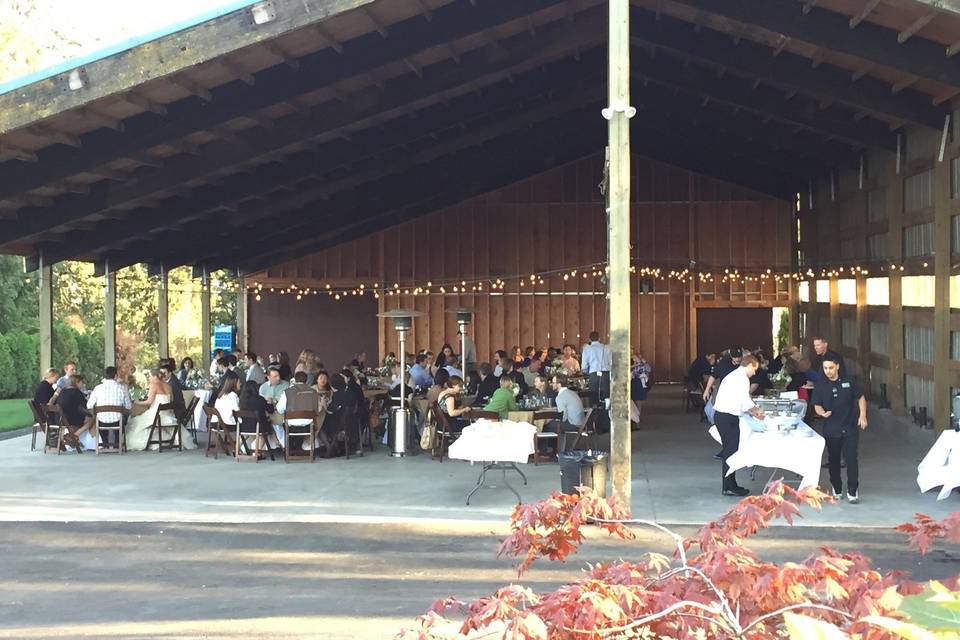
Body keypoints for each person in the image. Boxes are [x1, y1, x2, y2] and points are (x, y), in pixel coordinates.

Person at [812, 355, 867, 503]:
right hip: (831, 428)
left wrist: (862, 416)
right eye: (825, 368)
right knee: (834, 460)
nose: (828, 371)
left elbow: (861, 397)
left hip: (850, 427)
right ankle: (836, 488)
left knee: (851, 460)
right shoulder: (820, 385)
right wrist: (822, 413)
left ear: (837, 367)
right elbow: (816, 404)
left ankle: (852, 490)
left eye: (830, 368)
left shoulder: (849, 382)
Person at [712, 354, 765, 497]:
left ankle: (731, 483)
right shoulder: (741, 379)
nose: (754, 372)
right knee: (730, 452)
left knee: (732, 451)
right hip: (726, 417)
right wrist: (756, 412)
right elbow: (745, 401)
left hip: (725, 415)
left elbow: (742, 401)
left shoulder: (735, 376)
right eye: (754, 369)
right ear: (749, 365)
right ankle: (728, 486)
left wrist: (753, 410)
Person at [126, 368, 193, 450]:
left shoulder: (154, 385)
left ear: (155, 377)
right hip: (168, 415)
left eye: (150, 376)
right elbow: (171, 401)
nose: (149, 378)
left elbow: (149, 402)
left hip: (156, 416)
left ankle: (152, 442)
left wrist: (136, 402)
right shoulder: (169, 386)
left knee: (135, 422)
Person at [85, 366, 133, 449]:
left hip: (102, 421)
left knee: (99, 418)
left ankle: (105, 443)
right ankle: (117, 443)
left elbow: (89, 405)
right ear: (115, 376)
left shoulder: (97, 388)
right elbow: (129, 406)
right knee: (124, 417)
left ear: (105, 376)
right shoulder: (122, 388)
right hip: (118, 421)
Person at [539, 375, 585, 454]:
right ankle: (553, 450)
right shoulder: (572, 393)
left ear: (559, 384)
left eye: (553, 383)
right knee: (552, 424)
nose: (551, 384)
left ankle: (544, 452)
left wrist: (552, 419)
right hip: (581, 424)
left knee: (545, 425)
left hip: (572, 425)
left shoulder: (560, 396)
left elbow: (562, 417)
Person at [276, 371, 319, 451]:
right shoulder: (313, 392)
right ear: (306, 380)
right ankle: (299, 449)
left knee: (282, 424)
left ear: (295, 380)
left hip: (291, 426)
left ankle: (290, 450)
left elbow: (279, 410)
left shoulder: (287, 392)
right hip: (308, 426)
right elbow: (317, 410)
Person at [54, 374, 91, 450]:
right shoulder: (76, 392)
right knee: (91, 419)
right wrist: (88, 399)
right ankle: (74, 436)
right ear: (77, 382)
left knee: (84, 416)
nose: (82, 384)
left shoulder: (63, 391)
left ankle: (71, 437)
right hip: (70, 419)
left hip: (59, 419)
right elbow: (85, 406)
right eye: (81, 382)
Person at [238, 379, 273, 451]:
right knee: (263, 434)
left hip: (244, 427)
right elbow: (271, 410)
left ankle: (236, 449)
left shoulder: (242, 400)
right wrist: (269, 402)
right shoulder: (260, 399)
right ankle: (257, 452)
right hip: (259, 427)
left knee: (245, 435)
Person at [213, 370, 242, 444]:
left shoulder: (221, 394)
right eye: (239, 382)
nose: (240, 384)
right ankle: (241, 446)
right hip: (226, 424)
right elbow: (237, 412)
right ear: (234, 383)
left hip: (215, 422)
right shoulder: (233, 396)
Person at [581, 332, 610, 403]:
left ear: (589, 339)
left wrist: (586, 372)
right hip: (605, 374)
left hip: (593, 374)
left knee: (594, 396)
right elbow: (610, 361)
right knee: (606, 397)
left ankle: (595, 412)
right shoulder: (606, 348)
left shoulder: (587, 349)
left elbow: (584, 366)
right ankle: (605, 413)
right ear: (599, 338)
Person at [630, 354, 651, 426]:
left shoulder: (643, 365)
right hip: (634, 383)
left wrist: (642, 363)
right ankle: (635, 420)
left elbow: (648, 369)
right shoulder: (633, 365)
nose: (633, 359)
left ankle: (637, 422)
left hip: (639, 383)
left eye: (635, 358)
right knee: (634, 402)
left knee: (638, 403)